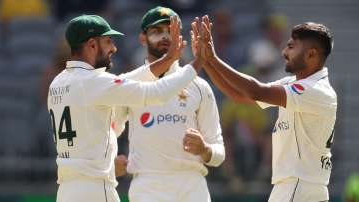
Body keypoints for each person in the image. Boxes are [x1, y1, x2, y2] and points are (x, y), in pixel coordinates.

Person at [48, 14, 201, 202]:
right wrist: (199, 62)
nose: (114, 48)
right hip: (96, 189)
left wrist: (169, 59)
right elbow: (157, 93)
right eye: (108, 41)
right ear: (92, 44)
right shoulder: (94, 82)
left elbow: (127, 80)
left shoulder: (58, 82)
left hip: (67, 191)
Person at [194, 16, 337, 201]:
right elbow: (241, 96)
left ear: (311, 54)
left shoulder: (314, 90)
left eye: (292, 47)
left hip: (299, 187)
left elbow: (255, 91)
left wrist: (213, 57)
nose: (284, 52)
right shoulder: (296, 84)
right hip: (295, 186)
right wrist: (206, 62)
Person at [115, 7, 225, 202]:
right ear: (142, 38)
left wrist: (205, 150)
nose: (165, 37)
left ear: (180, 37)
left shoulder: (199, 86)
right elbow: (107, 130)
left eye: (170, 31)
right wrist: (108, 163)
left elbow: (219, 153)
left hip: (192, 186)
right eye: (157, 31)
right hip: (148, 185)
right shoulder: (130, 84)